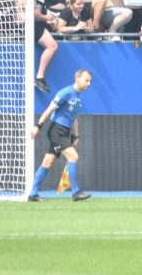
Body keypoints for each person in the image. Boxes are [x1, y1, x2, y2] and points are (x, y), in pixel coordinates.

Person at [28, 68, 93, 202]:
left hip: (65, 132)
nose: (89, 84)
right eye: (86, 80)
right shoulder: (65, 92)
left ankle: (32, 194)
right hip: (56, 131)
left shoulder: (78, 98)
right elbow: (50, 109)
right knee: (73, 156)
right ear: (77, 78)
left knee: (48, 162)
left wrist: (76, 137)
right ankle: (75, 192)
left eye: (90, 81)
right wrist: (38, 125)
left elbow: (74, 118)